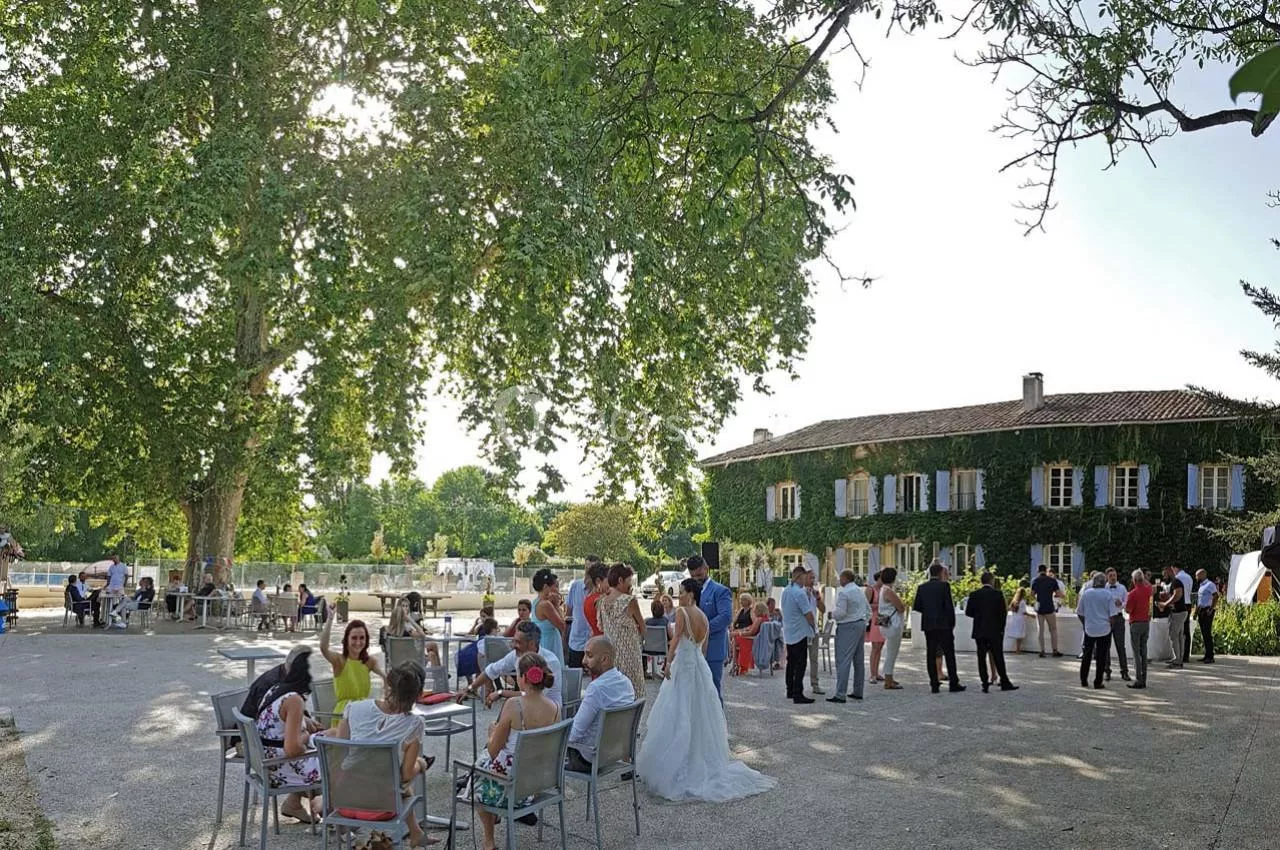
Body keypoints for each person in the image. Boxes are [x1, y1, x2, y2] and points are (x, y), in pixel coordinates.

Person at [636, 581, 776, 802]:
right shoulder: (703, 616)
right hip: (698, 665)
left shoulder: (682, 612)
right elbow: (704, 647)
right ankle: (699, 758)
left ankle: (677, 764)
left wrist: (668, 662)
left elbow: (676, 639)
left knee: (679, 710)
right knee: (700, 712)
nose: (679, 596)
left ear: (691, 594)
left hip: (684, 664)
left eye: (682, 592)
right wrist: (697, 662)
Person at [332, 664, 437, 847]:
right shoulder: (414, 724)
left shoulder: (354, 708)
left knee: (390, 781)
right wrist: (420, 764)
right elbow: (406, 775)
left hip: (343, 800)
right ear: (418, 694)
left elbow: (339, 754)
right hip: (381, 807)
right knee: (399, 781)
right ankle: (416, 833)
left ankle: (416, 833)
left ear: (386, 685)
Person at [471, 653, 560, 850]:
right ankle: (494, 816)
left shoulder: (514, 705)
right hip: (537, 784)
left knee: (475, 777)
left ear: (523, 678)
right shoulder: (555, 707)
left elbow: (493, 751)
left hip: (513, 788)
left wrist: (492, 733)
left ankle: (489, 841)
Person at [252, 647, 324, 822]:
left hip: (265, 761)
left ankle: (294, 803)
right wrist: (305, 735)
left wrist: (305, 724)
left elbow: (278, 726)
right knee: (337, 761)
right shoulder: (294, 700)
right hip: (277, 769)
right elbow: (293, 749)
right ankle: (336, 816)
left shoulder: (276, 688)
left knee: (330, 739)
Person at [459, 619, 563, 708]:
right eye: (513, 641)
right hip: (528, 707)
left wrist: (501, 692)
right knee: (507, 710)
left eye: (518, 642)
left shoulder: (550, 662)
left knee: (509, 708)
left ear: (531, 644)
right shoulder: (516, 655)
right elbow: (491, 670)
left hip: (549, 711)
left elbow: (534, 696)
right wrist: (468, 689)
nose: (513, 645)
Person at [567, 636, 635, 772]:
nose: (583, 661)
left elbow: (574, 734)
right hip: (616, 753)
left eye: (589, 656)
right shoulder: (626, 682)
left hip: (590, 757)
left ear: (604, 659)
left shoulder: (596, 689)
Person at [320, 617, 385, 726]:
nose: (358, 642)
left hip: (364, 711)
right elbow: (323, 648)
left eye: (362, 638)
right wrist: (330, 619)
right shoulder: (339, 660)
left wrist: (386, 681)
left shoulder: (369, 661)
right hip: (344, 714)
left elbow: (386, 677)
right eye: (354, 638)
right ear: (347, 639)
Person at [914, 562, 965, 694]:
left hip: (929, 625)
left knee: (931, 654)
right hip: (944, 625)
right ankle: (953, 682)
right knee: (949, 654)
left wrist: (929, 612)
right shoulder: (944, 586)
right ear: (941, 573)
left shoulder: (922, 587)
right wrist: (951, 623)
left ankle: (934, 683)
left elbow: (917, 606)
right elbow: (949, 606)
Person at [687, 554, 732, 700]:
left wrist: (702, 629)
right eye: (693, 576)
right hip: (692, 649)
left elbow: (725, 617)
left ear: (706, 569)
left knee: (712, 692)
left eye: (699, 575)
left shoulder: (720, 591)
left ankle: (719, 716)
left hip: (713, 649)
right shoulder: (689, 591)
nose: (696, 579)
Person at [598, 563, 646, 698]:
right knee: (634, 690)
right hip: (630, 654)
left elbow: (602, 627)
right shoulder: (629, 601)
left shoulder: (602, 602)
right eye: (629, 581)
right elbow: (643, 628)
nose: (630, 585)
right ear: (620, 580)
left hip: (611, 654)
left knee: (615, 692)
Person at [965, 572, 1017, 693]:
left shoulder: (974, 594)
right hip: (994, 630)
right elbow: (1003, 613)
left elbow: (968, 612)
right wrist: (1001, 628)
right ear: (992, 581)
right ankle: (1004, 681)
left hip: (980, 630)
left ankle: (984, 682)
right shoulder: (997, 594)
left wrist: (979, 617)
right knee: (998, 656)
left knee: (981, 657)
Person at [829, 569, 871, 704]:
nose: (839, 580)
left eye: (841, 578)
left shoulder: (844, 592)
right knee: (858, 659)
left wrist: (831, 614)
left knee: (843, 659)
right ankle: (858, 691)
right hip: (860, 624)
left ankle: (840, 693)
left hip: (847, 626)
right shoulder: (860, 591)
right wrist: (863, 621)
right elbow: (868, 610)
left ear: (845, 579)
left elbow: (841, 613)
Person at [780, 565, 816, 704]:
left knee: (791, 662)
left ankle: (790, 689)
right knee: (801, 663)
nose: (807, 579)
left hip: (789, 630)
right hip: (800, 632)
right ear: (800, 577)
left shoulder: (786, 591)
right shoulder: (800, 593)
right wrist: (813, 626)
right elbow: (808, 614)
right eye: (805, 576)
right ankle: (798, 693)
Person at [1078, 573, 1116, 689]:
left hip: (1090, 628)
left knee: (1087, 655)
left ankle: (1083, 679)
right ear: (1104, 583)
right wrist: (1110, 626)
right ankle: (1098, 681)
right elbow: (1113, 615)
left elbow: (1080, 612)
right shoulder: (1108, 594)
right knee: (1101, 656)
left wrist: (1085, 623)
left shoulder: (1086, 594)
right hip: (1104, 629)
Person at [565, 556, 601, 667]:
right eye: (586, 568)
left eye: (592, 569)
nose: (588, 572)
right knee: (575, 672)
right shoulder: (575, 586)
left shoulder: (602, 592)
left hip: (596, 642)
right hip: (577, 641)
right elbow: (568, 612)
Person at [877, 568, 906, 689]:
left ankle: (889, 677)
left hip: (885, 624)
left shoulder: (882, 589)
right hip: (893, 625)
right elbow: (901, 608)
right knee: (892, 653)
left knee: (890, 651)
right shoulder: (889, 591)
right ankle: (888, 680)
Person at [1125, 569, 1154, 689]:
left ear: (1134, 580)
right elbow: (1150, 607)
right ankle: (1144, 678)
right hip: (1146, 622)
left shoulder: (1132, 594)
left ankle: (1138, 678)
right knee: (1144, 650)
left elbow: (1128, 610)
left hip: (1136, 623)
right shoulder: (1149, 590)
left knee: (1136, 652)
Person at [530, 568, 566, 662]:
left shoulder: (536, 602)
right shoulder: (546, 605)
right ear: (546, 587)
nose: (557, 589)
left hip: (543, 641)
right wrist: (557, 605)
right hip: (549, 643)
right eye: (555, 586)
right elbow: (562, 625)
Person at [803, 563, 827, 695]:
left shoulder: (815, 593)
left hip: (814, 630)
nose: (812, 580)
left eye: (813, 578)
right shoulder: (800, 592)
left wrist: (818, 598)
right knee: (800, 659)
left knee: (814, 659)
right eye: (810, 578)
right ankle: (798, 684)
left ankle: (815, 684)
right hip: (802, 630)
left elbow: (823, 610)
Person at [1031, 564, 1064, 657]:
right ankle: (1055, 650)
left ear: (1038, 571)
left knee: (1040, 630)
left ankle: (1042, 651)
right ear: (1046, 570)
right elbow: (1058, 593)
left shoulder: (1035, 580)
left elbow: (1032, 594)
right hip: (1049, 607)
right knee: (1053, 629)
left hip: (1040, 607)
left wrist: (1038, 597)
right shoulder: (1052, 580)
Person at [1103, 568, 1130, 682]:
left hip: (1118, 618)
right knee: (1106, 647)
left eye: (1114, 575)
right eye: (1111, 576)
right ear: (1107, 577)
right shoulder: (1103, 588)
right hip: (1107, 619)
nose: (1113, 577)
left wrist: (1122, 604)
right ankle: (1106, 672)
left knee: (1121, 646)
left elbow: (1127, 602)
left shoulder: (1122, 588)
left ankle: (1124, 672)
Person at [457, 617, 499, 685]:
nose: (482, 618)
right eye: (497, 629)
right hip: (471, 660)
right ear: (493, 629)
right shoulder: (489, 640)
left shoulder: (484, 639)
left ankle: (472, 687)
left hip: (466, 657)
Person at [1163, 565, 1190, 668]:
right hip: (1179, 612)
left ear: (1170, 571)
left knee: (1173, 635)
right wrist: (1167, 599)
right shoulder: (1175, 582)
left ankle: (1178, 660)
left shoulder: (1176, 582)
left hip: (1178, 613)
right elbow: (1174, 596)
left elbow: (1177, 595)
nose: (1164, 577)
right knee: (1179, 636)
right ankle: (1178, 658)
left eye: (1165, 574)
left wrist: (1165, 604)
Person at [730, 602, 768, 676]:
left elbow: (751, 632)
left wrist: (739, 633)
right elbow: (750, 628)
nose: (753, 611)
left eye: (755, 609)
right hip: (759, 641)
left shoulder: (759, 619)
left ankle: (735, 663)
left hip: (752, 640)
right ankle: (736, 664)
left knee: (734, 640)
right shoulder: (765, 619)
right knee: (735, 639)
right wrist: (740, 631)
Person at [1194, 568, 1219, 663]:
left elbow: (1216, 596)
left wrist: (1211, 608)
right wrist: (1196, 612)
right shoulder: (1201, 586)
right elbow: (1200, 601)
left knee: (1207, 633)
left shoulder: (1210, 584)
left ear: (1203, 575)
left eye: (1197, 576)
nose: (1196, 578)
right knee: (1204, 634)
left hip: (1207, 610)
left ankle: (1210, 656)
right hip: (1201, 611)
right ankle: (1206, 655)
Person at [866, 572, 886, 682]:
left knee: (880, 646)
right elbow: (866, 605)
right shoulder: (870, 589)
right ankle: (872, 674)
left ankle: (876, 672)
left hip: (883, 618)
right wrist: (879, 606)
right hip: (874, 619)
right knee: (875, 646)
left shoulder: (884, 589)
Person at [582, 562, 609, 639]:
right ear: (598, 581)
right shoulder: (601, 600)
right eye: (609, 581)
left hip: (596, 640)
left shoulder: (588, 599)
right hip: (606, 642)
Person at [1007, 580, 1030, 653]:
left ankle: (1016, 649)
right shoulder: (1022, 601)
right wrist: (1031, 615)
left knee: (1017, 634)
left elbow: (1009, 609)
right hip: (1020, 619)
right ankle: (1018, 649)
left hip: (1014, 618)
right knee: (1020, 635)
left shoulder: (1014, 601)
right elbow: (1024, 612)